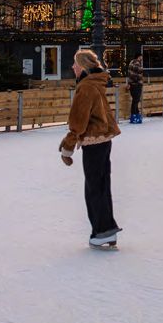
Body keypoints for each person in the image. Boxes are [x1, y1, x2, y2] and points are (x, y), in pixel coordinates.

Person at [60, 49, 122, 249]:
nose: (72, 67)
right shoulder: (96, 84)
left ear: (83, 66)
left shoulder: (86, 87)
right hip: (103, 140)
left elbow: (78, 120)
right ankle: (107, 229)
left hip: (94, 141)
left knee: (94, 187)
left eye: (75, 64)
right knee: (102, 185)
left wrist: (68, 146)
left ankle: (102, 230)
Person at [126, 53, 144, 123]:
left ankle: (136, 114)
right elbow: (137, 73)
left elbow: (131, 73)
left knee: (135, 100)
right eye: (141, 57)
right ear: (139, 57)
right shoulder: (137, 63)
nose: (141, 59)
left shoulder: (131, 62)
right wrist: (138, 80)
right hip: (136, 84)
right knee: (136, 100)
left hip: (132, 84)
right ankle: (134, 115)